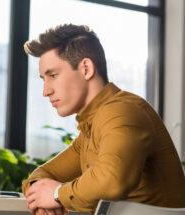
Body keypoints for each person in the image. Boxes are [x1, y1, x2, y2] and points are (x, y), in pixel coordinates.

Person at [22, 23, 185, 215]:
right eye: (43, 79)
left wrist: (57, 194)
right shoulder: (91, 129)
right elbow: (42, 175)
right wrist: (40, 196)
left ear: (86, 69)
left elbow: (111, 180)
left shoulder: (123, 110)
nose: (46, 91)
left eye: (53, 75)